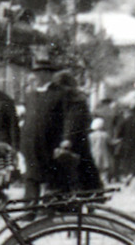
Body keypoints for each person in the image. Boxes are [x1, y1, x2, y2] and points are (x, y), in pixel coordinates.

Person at [22, 54, 99, 206]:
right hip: (31, 144)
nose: (36, 76)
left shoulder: (61, 93)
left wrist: (67, 138)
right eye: (35, 72)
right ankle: (29, 213)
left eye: (40, 72)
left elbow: (70, 117)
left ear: (48, 74)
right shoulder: (30, 95)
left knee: (54, 178)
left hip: (52, 143)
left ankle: (55, 211)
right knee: (32, 177)